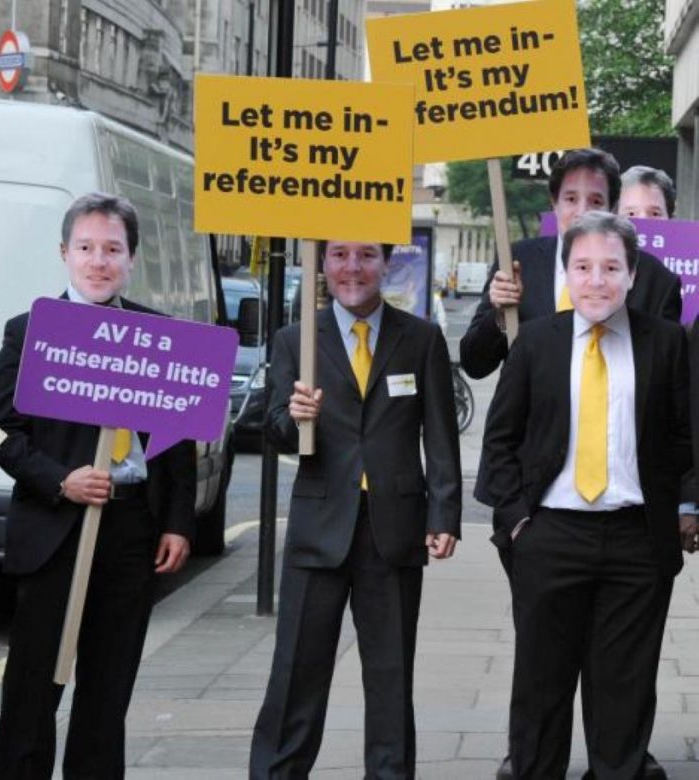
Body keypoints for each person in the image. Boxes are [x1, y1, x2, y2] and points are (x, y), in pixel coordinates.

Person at [0, 192, 196, 779]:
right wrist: (61, 480)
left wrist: (178, 520)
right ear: (64, 253)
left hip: (130, 534)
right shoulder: (28, 332)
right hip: (55, 531)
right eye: (86, 248)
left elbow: (177, 440)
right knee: (31, 696)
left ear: (131, 258)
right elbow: (2, 431)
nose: (98, 261)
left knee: (107, 697)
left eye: (112, 249)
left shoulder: (160, 336)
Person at [475, 211, 691, 779]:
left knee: (623, 693)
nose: (597, 280)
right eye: (584, 267)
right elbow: (500, 441)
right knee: (541, 692)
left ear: (632, 275)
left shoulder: (666, 343)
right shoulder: (535, 344)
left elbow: (686, 435)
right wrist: (519, 522)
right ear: (567, 274)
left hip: (637, 542)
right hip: (550, 536)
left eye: (611, 267)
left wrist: (684, 507)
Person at [249, 239, 461, 779]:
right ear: (323, 264)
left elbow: (440, 435)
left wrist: (444, 514)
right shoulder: (296, 340)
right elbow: (274, 430)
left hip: (393, 531)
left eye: (367, 255)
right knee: (296, 675)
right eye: (339, 255)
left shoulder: (421, 339)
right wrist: (295, 417)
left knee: (390, 681)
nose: (352, 268)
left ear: (386, 263)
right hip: (318, 529)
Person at [460, 148, 681, 380]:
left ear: (613, 208)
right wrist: (500, 315)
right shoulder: (517, 262)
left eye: (596, 201)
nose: (582, 212)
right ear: (554, 203)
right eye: (571, 199)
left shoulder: (656, 280)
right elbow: (474, 364)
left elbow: (670, 380)